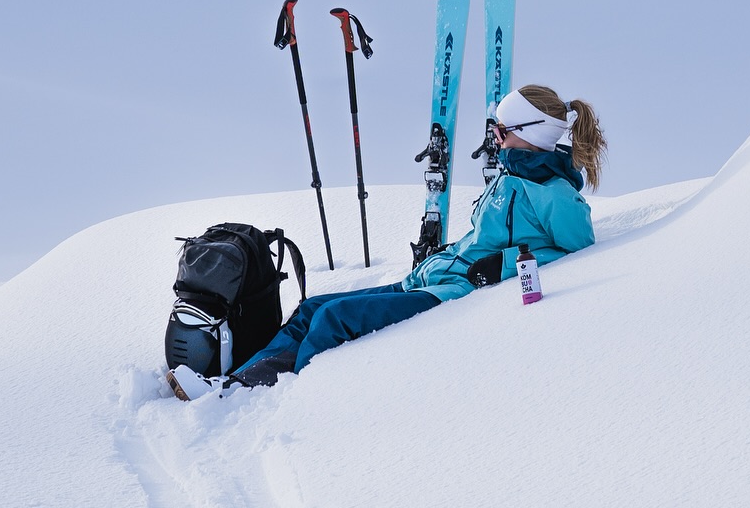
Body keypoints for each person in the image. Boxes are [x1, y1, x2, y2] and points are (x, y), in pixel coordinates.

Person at [166, 83, 606, 400]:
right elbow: (479, 240)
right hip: (429, 279)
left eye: (502, 130)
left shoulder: (556, 196)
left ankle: (271, 399)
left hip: (454, 293)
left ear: (531, 132)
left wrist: (501, 266)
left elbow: (578, 254)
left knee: (333, 319)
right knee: (312, 308)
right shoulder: (509, 179)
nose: (495, 138)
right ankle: (234, 384)